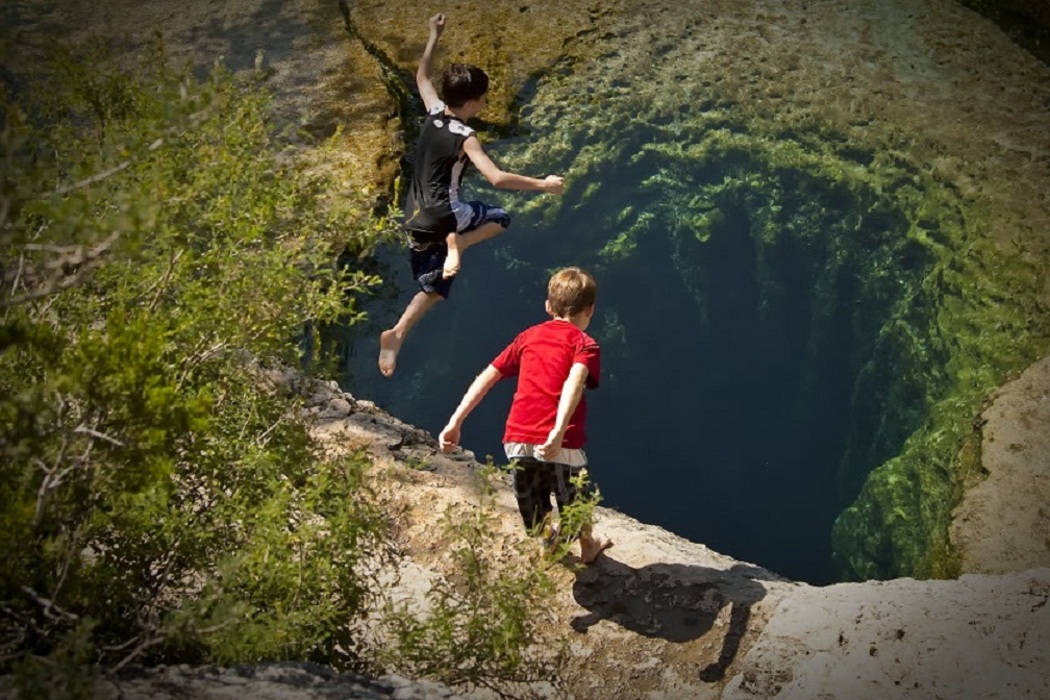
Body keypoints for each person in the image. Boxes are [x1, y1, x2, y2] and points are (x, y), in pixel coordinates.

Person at [378, 13, 566, 377]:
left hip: (414, 218)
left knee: (434, 285)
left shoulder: (434, 112)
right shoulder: (466, 136)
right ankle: (458, 244)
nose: (483, 105)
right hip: (446, 215)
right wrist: (544, 184)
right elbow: (495, 178)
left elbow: (421, 77)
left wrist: (433, 35)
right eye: (482, 100)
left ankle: (397, 334)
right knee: (499, 219)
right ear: (472, 101)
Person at [438, 267, 613, 564]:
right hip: (560, 443)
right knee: (575, 500)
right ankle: (586, 546)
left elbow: (488, 377)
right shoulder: (585, 344)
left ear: (548, 306)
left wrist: (455, 421)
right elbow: (575, 381)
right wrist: (557, 432)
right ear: (590, 310)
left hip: (516, 439)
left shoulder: (528, 337)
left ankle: (554, 541)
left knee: (534, 508)